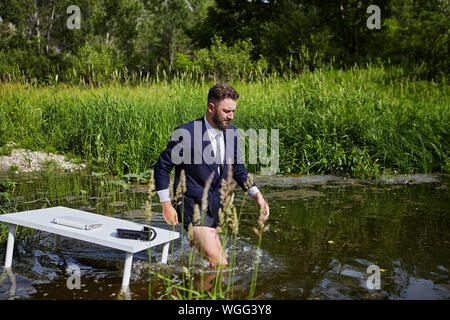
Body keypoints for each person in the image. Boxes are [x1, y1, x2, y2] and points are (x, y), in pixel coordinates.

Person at [154, 83, 269, 267]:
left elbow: (238, 169)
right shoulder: (187, 133)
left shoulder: (232, 133)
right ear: (211, 108)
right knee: (221, 265)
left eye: (233, 111)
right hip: (192, 207)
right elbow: (161, 167)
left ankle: (185, 289)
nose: (231, 116)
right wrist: (166, 204)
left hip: (217, 208)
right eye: (227, 111)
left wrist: (257, 195)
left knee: (205, 265)